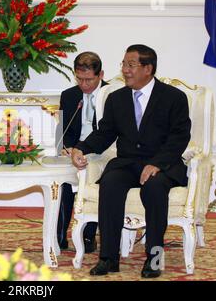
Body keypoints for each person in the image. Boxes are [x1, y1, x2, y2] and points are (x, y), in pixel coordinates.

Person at [71, 44, 191, 278]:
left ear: (148, 69)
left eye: (131, 65)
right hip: (127, 164)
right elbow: (105, 132)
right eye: (124, 64)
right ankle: (108, 258)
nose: (125, 70)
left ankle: (154, 258)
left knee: (154, 188)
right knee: (110, 183)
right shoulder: (117, 98)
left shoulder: (173, 97)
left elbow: (180, 136)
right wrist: (81, 148)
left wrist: (157, 164)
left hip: (162, 165)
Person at [56, 52, 107, 252]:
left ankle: (88, 235)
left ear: (100, 74)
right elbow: (63, 130)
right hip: (74, 149)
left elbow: (112, 133)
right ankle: (59, 235)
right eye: (79, 79)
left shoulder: (113, 94)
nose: (84, 84)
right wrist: (66, 148)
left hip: (101, 150)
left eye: (89, 79)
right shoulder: (69, 95)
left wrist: (85, 150)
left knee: (93, 176)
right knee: (62, 179)